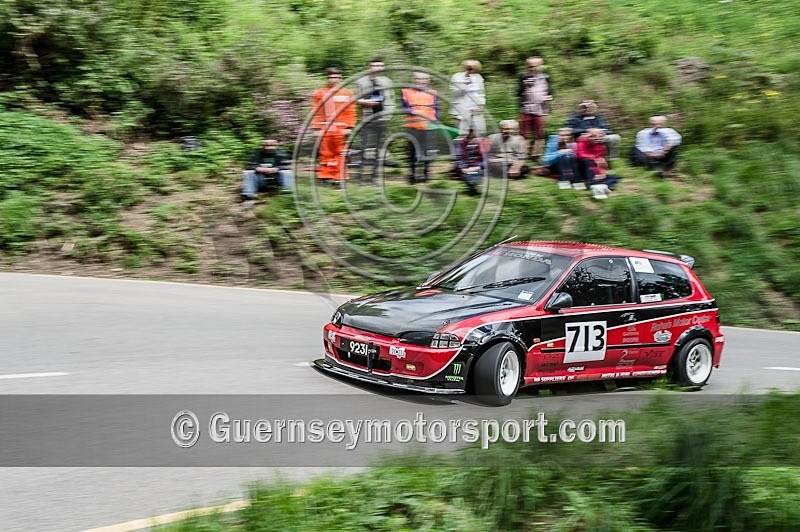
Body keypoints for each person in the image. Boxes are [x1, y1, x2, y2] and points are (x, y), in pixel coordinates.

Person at [311, 68, 356, 182]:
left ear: (340, 78)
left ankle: (339, 176)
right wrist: (316, 127)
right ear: (327, 78)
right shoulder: (320, 93)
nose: (333, 79)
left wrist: (349, 127)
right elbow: (316, 111)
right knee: (325, 153)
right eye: (331, 77)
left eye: (336, 77)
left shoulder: (347, 93)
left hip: (340, 128)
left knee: (340, 152)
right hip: (324, 128)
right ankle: (326, 175)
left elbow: (351, 111)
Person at [355, 57, 396, 179]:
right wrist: (365, 102)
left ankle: (375, 174)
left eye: (380, 66)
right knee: (364, 146)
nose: (377, 68)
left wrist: (389, 114)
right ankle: (361, 174)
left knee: (379, 147)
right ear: (369, 67)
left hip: (382, 118)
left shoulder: (387, 82)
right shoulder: (361, 82)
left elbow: (391, 99)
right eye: (374, 65)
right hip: (367, 117)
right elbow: (356, 99)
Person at [401, 71, 439, 183]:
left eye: (424, 79)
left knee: (428, 151)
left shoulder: (433, 93)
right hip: (413, 125)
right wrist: (414, 111)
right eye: (418, 79)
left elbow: (436, 109)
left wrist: (437, 121)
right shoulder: (406, 91)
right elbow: (403, 108)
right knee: (412, 151)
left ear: (428, 80)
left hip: (429, 125)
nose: (421, 81)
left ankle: (426, 174)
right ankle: (412, 174)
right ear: (413, 79)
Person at [517, 56, 553, 159]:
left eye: (534, 66)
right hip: (526, 108)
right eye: (529, 66)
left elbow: (551, 92)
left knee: (540, 133)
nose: (531, 68)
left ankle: (536, 154)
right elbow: (517, 93)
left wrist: (549, 97)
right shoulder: (523, 76)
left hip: (541, 109)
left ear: (540, 66)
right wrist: (524, 86)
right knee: (523, 133)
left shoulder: (546, 77)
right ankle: (522, 154)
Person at [576, 128, 620, 198]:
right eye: (593, 136)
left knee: (615, 177)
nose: (596, 138)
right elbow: (580, 155)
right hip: (582, 169)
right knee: (588, 160)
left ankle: (604, 186)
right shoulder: (581, 142)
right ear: (588, 136)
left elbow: (601, 163)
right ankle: (593, 183)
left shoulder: (600, 145)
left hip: (594, 170)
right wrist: (595, 158)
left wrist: (601, 173)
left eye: (599, 136)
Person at [449, 59, 486, 136]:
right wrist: (465, 86)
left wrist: (481, 106)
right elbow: (454, 93)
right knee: (462, 134)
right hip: (461, 110)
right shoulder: (457, 77)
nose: (471, 70)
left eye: (473, 68)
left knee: (480, 133)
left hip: (475, 110)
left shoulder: (478, 77)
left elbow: (481, 93)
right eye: (469, 68)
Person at [453, 129, 487, 195]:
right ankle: (472, 185)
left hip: (478, 166)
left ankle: (473, 185)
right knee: (467, 175)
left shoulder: (483, 141)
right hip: (465, 166)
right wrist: (462, 168)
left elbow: (486, 158)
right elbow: (458, 157)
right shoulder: (460, 142)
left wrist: (478, 167)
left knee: (475, 175)